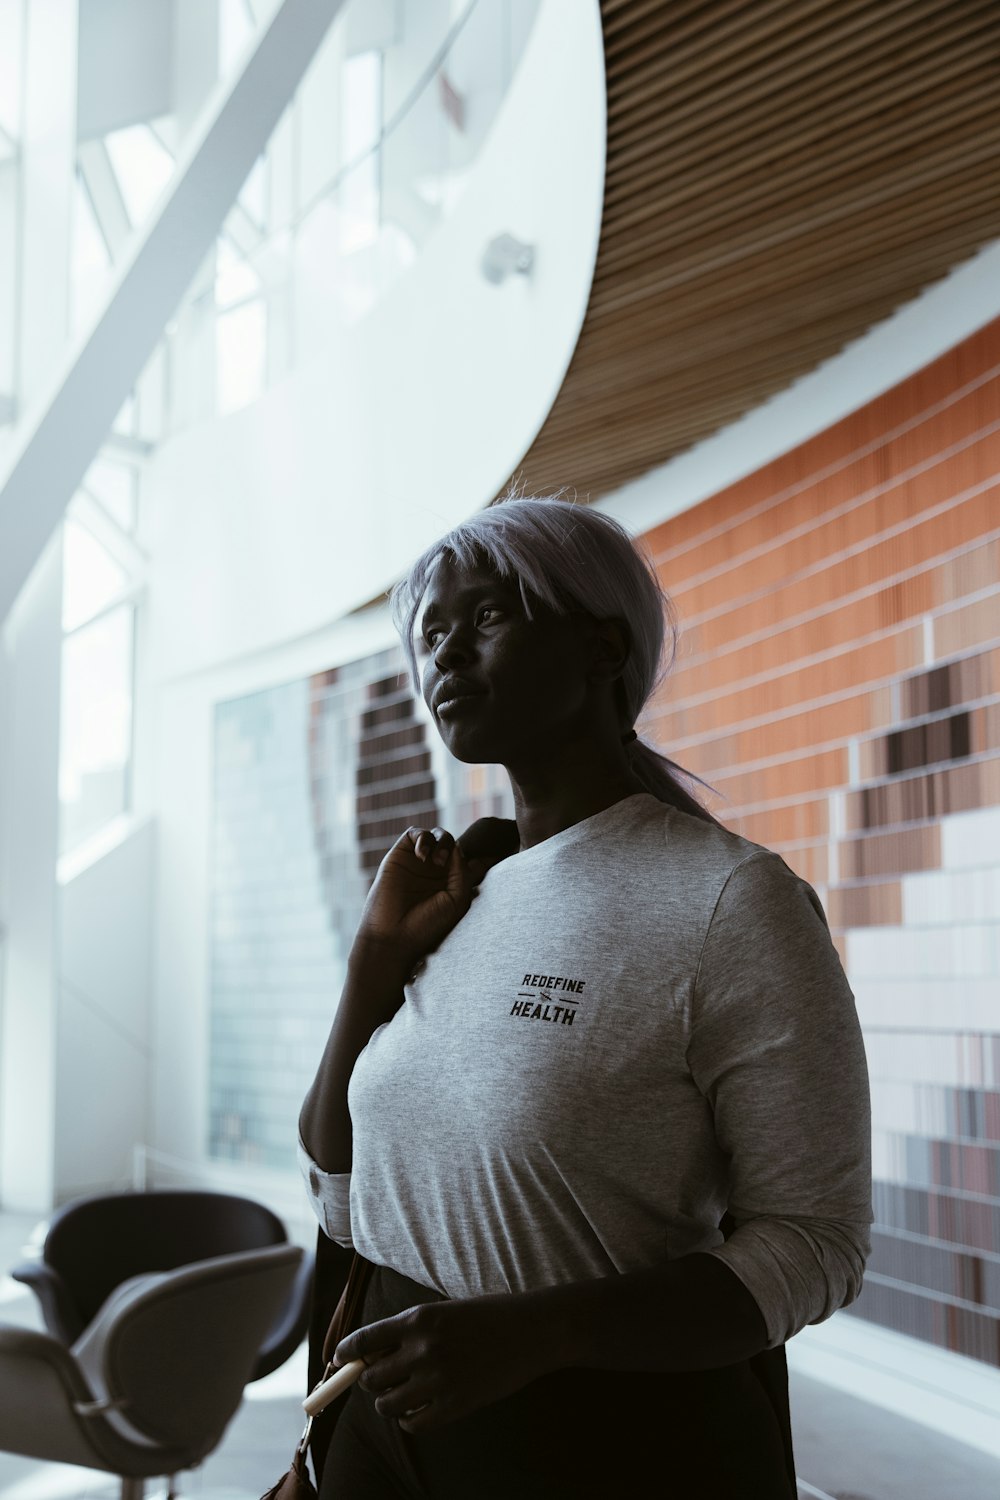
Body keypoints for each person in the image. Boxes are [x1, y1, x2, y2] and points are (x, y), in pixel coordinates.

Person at [298, 496, 872, 1498]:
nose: (444, 659)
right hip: (376, 1412)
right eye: (429, 634)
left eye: (483, 619)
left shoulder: (730, 901)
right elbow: (341, 1191)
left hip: (588, 1432)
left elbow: (815, 1243)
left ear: (602, 647)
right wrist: (372, 965)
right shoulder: (456, 892)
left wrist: (540, 1334)